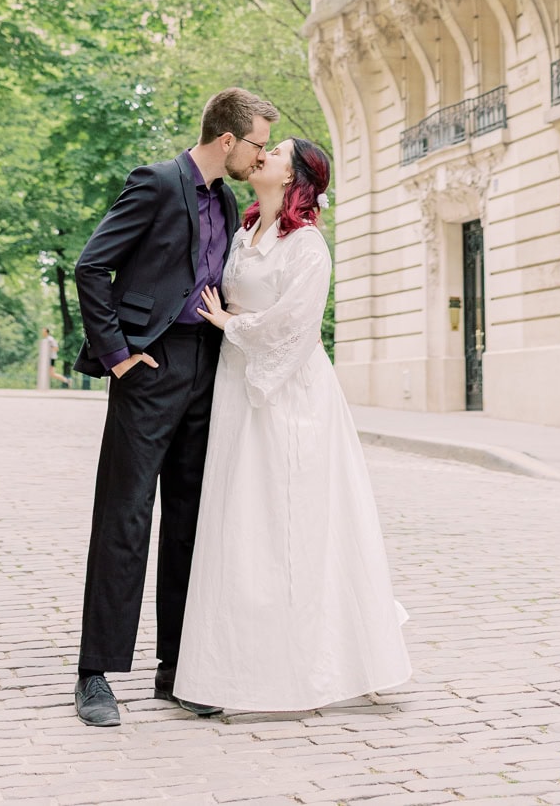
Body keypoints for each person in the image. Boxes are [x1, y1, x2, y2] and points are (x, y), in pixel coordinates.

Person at [173, 137, 411, 716]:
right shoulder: (242, 233)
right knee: (240, 522)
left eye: (274, 152)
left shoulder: (307, 245)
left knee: (292, 521)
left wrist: (232, 323)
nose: (262, 156)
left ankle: (322, 661)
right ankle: (231, 664)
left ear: (294, 177)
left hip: (289, 396)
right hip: (236, 386)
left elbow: (297, 325)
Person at [72, 86, 279, 728]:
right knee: (126, 517)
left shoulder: (225, 201)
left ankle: (176, 670)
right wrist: (119, 355)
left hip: (206, 370)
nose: (261, 156)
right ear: (228, 141)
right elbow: (91, 267)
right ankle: (95, 675)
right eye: (258, 145)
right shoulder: (157, 183)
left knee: (191, 521)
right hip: (150, 369)